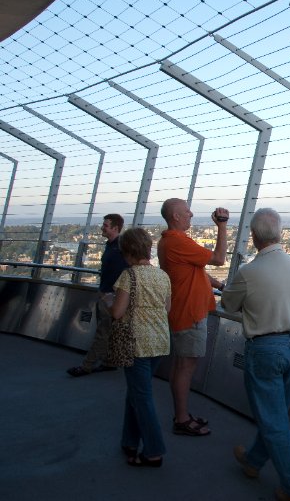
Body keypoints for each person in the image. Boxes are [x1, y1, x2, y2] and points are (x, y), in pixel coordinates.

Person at [222, 208, 290, 501]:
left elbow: (229, 307)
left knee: (274, 421)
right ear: (280, 233)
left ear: (254, 237)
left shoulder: (249, 272)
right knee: (277, 416)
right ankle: (252, 462)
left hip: (266, 349)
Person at [158, 198, 228, 436]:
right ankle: (181, 419)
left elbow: (193, 269)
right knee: (185, 367)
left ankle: (182, 414)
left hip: (184, 312)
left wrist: (218, 284)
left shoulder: (170, 241)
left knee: (180, 366)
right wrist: (222, 226)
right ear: (175, 217)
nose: (191, 214)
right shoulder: (177, 241)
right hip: (190, 314)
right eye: (186, 211)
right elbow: (219, 258)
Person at [110, 227, 171, 467]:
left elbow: (117, 312)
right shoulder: (162, 276)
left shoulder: (129, 276)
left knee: (142, 396)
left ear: (127, 251)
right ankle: (129, 440)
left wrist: (107, 302)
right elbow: (166, 309)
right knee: (135, 393)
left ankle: (154, 450)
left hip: (136, 343)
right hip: (160, 341)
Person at [68, 213, 129, 377]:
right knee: (106, 330)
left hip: (111, 295)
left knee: (103, 332)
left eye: (106, 225)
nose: (102, 227)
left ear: (115, 228)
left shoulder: (121, 247)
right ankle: (109, 362)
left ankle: (86, 366)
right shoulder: (111, 245)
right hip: (106, 293)